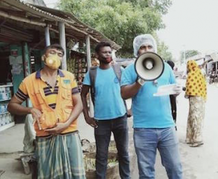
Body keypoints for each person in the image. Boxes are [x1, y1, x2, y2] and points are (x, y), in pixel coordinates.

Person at [7, 44, 86, 178]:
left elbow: (79, 104)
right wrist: (30, 109)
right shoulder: (29, 81)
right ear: (44, 57)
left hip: (69, 133)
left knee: (75, 174)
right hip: (45, 136)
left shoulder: (68, 77)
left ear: (62, 60)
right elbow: (12, 105)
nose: (56, 56)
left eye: (60, 54)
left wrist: (66, 124)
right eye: (52, 52)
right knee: (48, 174)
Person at [121, 34, 183, 179]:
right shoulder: (131, 70)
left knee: (175, 168)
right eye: (142, 47)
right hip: (143, 128)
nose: (146, 49)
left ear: (154, 49)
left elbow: (173, 89)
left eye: (149, 46)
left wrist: (176, 91)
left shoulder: (165, 67)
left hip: (167, 126)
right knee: (146, 172)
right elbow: (124, 94)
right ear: (137, 51)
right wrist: (139, 82)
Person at [80, 42, 130, 179]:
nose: (108, 54)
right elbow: (82, 94)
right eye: (104, 52)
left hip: (120, 118)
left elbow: (132, 88)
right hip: (101, 121)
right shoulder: (92, 73)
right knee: (101, 155)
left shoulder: (119, 70)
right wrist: (86, 116)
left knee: (123, 153)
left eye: (109, 52)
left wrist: (131, 109)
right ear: (97, 55)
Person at [184, 60, 207, 147]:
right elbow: (204, 86)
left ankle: (197, 139)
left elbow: (189, 88)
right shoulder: (200, 74)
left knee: (194, 118)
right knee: (195, 117)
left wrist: (186, 92)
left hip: (194, 98)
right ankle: (190, 138)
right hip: (200, 98)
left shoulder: (191, 74)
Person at [167, 60, 177, 128]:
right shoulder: (171, 73)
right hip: (171, 95)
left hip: (166, 94)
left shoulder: (164, 71)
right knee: (173, 109)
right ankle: (173, 124)